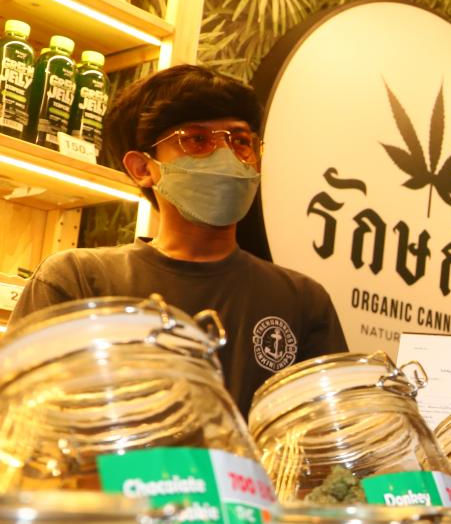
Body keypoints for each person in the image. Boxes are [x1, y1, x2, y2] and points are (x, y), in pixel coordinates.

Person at [8, 65, 346, 416]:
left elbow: (330, 440)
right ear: (143, 168)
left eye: (241, 141)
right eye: (197, 140)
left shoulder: (303, 301)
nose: (226, 157)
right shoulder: (77, 280)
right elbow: (21, 421)